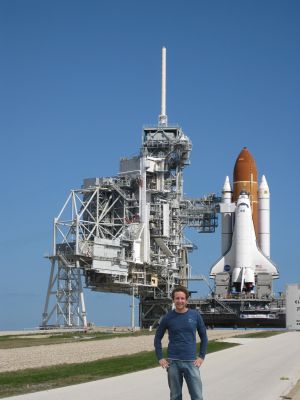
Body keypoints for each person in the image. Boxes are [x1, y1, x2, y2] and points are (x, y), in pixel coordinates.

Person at [154, 286, 208, 400]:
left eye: (182, 298)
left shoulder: (195, 315)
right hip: (173, 363)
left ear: (186, 300)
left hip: (191, 362)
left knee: (197, 396)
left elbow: (204, 336)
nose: (180, 301)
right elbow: (157, 338)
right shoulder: (168, 317)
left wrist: (201, 357)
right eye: (177, 298)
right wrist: (160, 358)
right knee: (175, 396)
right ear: (173, 300)